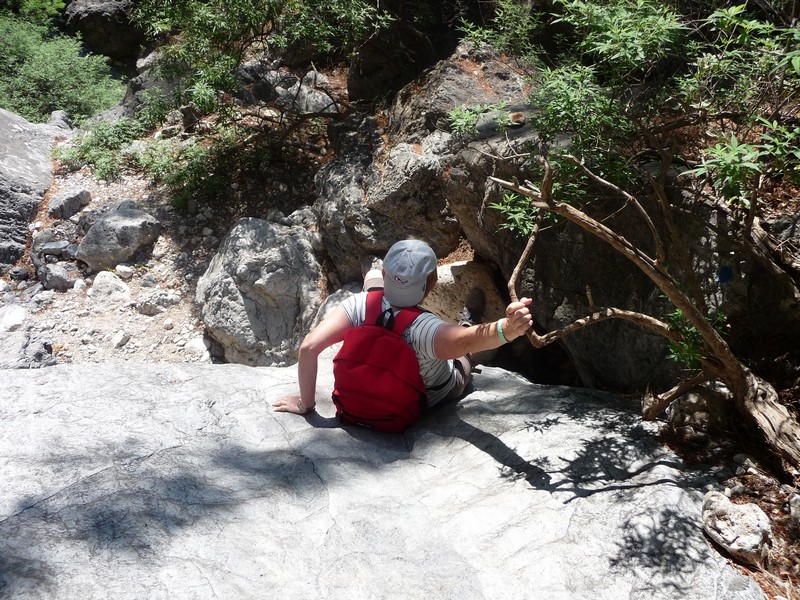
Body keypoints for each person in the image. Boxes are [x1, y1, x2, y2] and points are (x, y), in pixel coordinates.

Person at [273, 239, 534, 415]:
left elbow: (308, 348)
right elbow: (468, 340)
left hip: (357, 400)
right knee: (463, 359)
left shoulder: (356, 306)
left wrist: (305, 404)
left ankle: (383, 295)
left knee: (370, 282)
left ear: (386, 275)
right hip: (425, 396)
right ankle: (469, 318)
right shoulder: (427, 330)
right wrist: (509, 328)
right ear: (431, 284)